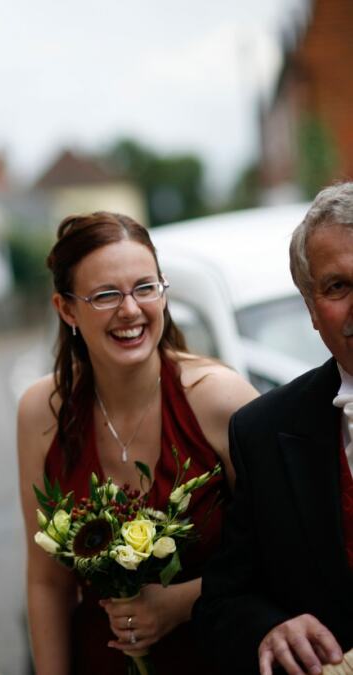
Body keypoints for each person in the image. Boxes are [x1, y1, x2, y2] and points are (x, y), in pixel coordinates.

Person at [16, 211, 258, 674]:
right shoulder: (40, 413)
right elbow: (47, 582)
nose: (130, 309)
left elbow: (281, 548)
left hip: (216, 656)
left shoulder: (219, 399)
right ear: (66, 309)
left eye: (145, 288)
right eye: (106, 295)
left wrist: (180, 602)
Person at [194, 183, 353, 675]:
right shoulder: (264, 431)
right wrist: (270, 628)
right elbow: (223, 603)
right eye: (337, 287)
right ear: (310, 308)